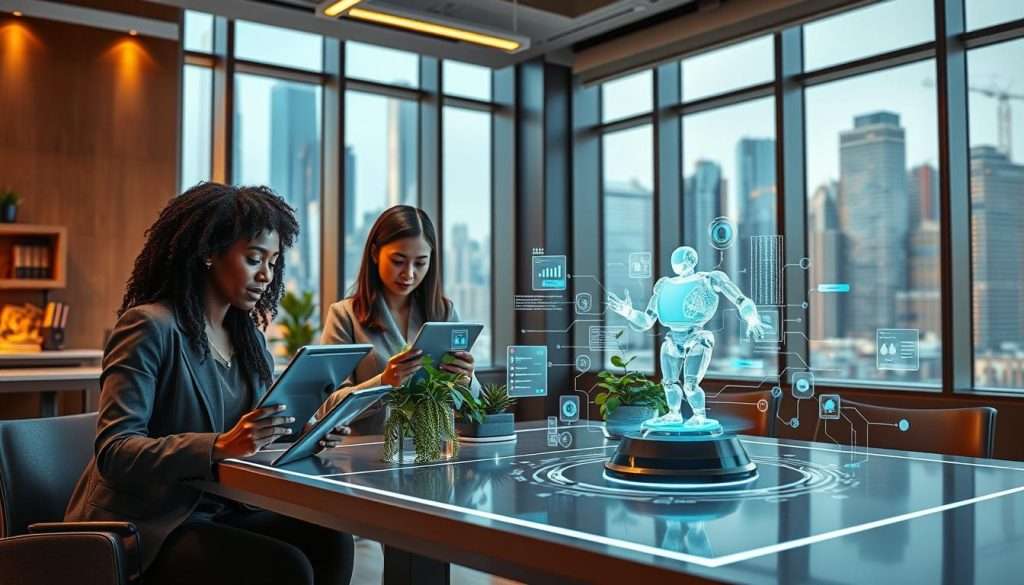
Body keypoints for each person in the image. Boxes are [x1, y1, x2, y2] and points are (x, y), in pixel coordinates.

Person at [64, 183, 354, 585]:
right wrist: (218, 445)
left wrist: (304, 435)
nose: (267, 276)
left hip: (220, 509)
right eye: (254, 259)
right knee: (285, 568)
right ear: (207, 253)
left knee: (330, 539)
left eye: (273, 262)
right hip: (147, 523)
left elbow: (253, 434)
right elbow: (115, 450)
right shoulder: (150, 327)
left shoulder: (248, 338)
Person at [316, 205, 481, 432]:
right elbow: (327, 408)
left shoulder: (444, 313)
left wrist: (468, 379)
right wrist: (383, 382)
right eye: (398, 261)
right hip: (366, 459)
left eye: (420, 263)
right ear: (375, 253)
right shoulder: (345, 316)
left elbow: (472, 407)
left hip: (433, 454)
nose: (409, 273)